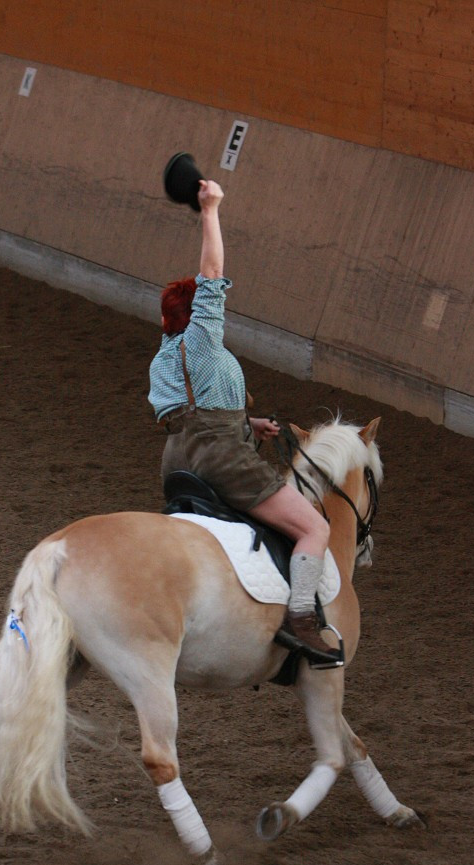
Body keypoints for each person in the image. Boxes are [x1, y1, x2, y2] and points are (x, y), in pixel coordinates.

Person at [148, 179, 335, 660]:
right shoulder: (202, 339)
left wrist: (248, 425)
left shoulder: (164, 357)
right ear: (195, 315)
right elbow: (211, 271)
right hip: (221, 460)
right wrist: (209, 209)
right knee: (314, 527)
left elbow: (184, 415)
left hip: (177, 460)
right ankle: (300, 619)